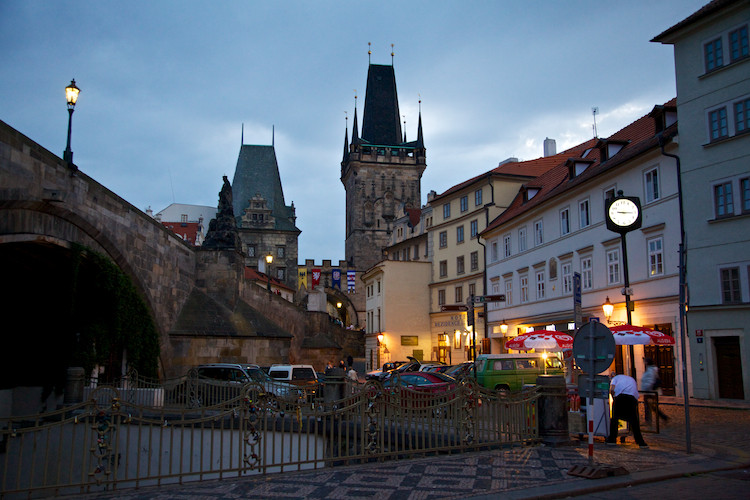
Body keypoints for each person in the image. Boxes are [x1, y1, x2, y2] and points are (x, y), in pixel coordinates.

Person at [606, 372, 648, 448]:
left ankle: (612, 439)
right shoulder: (631, 379)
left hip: (621, 397)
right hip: (632, 398)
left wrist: (613, 397)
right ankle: (640, 442)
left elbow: (611, 389)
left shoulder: (615, 379)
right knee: (634, 421)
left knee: (615, 419)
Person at [641, 358, 669, 423]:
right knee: (651, 406)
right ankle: (662, 417)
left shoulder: (650, 370)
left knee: (649, 406)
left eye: (645, 362)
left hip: (649, 392)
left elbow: (650, 381)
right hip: (650, 391)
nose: (644, 363)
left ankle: (649, 420)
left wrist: (646, 389)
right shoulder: (651, 369)